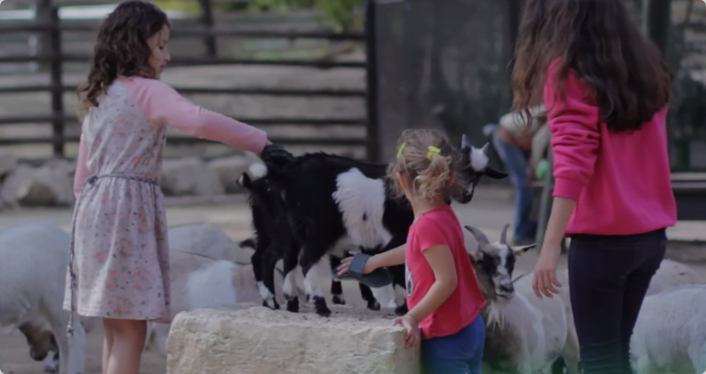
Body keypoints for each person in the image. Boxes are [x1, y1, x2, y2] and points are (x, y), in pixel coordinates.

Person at [63, 2, 290, 374]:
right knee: (132, 332)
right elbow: (199, 120)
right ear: (135, 45)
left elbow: (79, 180)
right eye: (161, 45)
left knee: (115, 329)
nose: (167, 56)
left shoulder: (100, 98)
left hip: (91, 215)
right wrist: (260, 144)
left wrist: (100, 210)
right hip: (126, 217)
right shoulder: (148, 91)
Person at [510, 0, 676, 373]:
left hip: (602, 245)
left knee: (600, 361)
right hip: (650, 239)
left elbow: (571, 165)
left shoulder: (569, 73)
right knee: (616, 355)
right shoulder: (643, 65)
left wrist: (550, 246)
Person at [337, 129, 486, 374]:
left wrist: (413, 317)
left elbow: (446, 281)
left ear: (400, 179)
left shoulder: (426, 225)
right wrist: (374, 261)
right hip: (469, 326)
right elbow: (418, 249)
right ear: (448, 179)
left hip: (446, 336)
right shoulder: (442, 216)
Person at [491, 104, 550, 245]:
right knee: (524, 184)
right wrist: (532, 171)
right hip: (505, 138)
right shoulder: (550, 119)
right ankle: (520, 233)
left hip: (515, 137)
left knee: (529, 188)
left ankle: (528, 230)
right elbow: (537, 143)